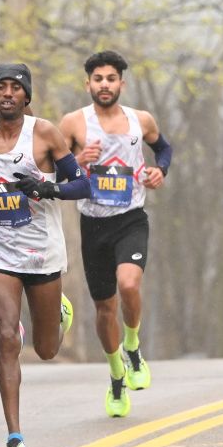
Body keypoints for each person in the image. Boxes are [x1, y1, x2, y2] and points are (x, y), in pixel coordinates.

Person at [0, 63, 86, 447]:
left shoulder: (44, 133)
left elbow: (83, 183)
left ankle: (57, 313)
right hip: (0, 252)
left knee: (47, 349)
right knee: (5, 334)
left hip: (42, 252)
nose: (6, 94)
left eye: (15, 88)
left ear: (26, 97)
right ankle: (14, 439)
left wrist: (48, 187)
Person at [59, 50, 171, 418]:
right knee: (104, 307)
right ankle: (116, 375)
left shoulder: (141, 121)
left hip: (130, 218)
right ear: (88, 83)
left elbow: (164, 149)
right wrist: (79, 163)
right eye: (98, 79)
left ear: (122, 83)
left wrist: (160, 172)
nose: (104, 85)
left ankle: (134, 345)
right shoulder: (74, 124)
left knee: (129, 285)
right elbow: (53, 173)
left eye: (111, 79)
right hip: (92, 224)